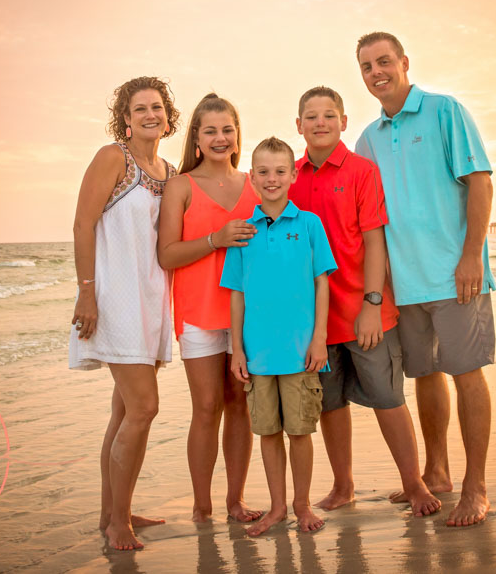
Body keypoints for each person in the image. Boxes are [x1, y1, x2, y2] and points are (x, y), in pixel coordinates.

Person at [354, 32, 496, 527]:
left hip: (455, 275)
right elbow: (365, 215)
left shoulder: (443, 110)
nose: (377, 72)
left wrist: (471, 258)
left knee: (465, 373)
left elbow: (480, 180)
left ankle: (476, 488)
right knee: (426, 375)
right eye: (368, 66)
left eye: (384, 61)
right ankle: (436, 473)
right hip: (403, 283)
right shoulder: (369, 138)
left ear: (404, 62)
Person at [289, 86, 442, 518]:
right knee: (330, 404)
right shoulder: (290, 177)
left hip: (365, 313)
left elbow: (375, 240)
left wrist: (372, 303)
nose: (320, 123)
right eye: (311, 116)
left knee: (387, 398)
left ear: (343, 122)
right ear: (297, 125)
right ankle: (343, 487)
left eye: (328, 115)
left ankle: (413, 484)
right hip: (316, 321)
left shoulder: (361, 171)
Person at [69, 76, 180, 550]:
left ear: (168, 116)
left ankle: (113, 510)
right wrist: (87, 293)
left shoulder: (170, 171)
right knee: (144, 408)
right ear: (126, 117)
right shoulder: (113, 158)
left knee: (122, 412)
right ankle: (118, 524)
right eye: (140, 109)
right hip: (115, 300)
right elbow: (82, 223)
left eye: (157, 107)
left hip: (152, 300)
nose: (150, 115)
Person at [220, 137, 337, 536]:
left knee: (300, 431)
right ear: (252, 178)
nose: (272, 179)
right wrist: (237, 348)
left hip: (300, 353)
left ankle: (302, 505)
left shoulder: (309, 225)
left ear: (293, 175)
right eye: (264, 172)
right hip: (258, 355)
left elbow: (323, 283)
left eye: (280, 171)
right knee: (268, 432)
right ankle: (276, 508)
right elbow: (236, 295)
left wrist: (319, 337)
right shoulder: (243, 232)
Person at [156, 93, 263, 524]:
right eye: (210, 130)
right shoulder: (180, 186)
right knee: (207, 408)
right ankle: (202, 506)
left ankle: (235, 501)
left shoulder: (257, 182)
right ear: (196, 138)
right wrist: (215, 240)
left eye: (227, 129)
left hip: (249, 317)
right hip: (198, 314)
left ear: (237, 135)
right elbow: (166, 255)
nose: (220, 138)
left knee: (241, 404)